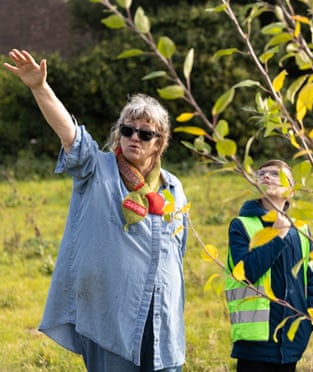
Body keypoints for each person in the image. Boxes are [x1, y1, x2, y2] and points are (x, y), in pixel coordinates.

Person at [4, 49, 188, 372]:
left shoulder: (172, 188)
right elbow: (69, 133)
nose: (134, 138)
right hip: (111, 316)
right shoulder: (96, 167)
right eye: (128, 130)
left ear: (159, 143)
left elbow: (178, 249)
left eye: (145, 134)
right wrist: (39, 87)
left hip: (161, 318)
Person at [225, 159, 313, 372]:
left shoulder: (302, 229)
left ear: (291, 190)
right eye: (262, 173)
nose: (266, 176)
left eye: (276, 174)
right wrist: (277, 235)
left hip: (291, 340)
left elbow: (310, 277)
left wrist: (310, 316)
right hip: (255, 341)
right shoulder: (241, 225)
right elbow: (246, 273)